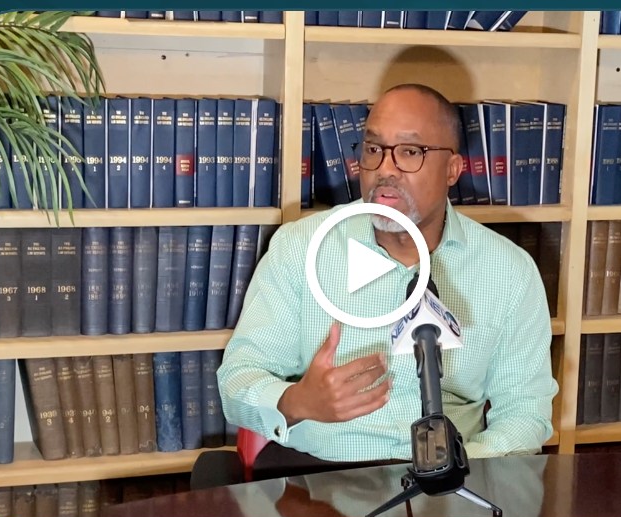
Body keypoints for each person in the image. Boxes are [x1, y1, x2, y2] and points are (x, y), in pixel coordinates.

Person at [217, 83, 557, 465]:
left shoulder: (509, 272)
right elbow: (237, 382)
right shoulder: (300, 248)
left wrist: (455, 467)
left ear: (452, 170)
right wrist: (298, 401)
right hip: (322, 480)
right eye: (373, 149)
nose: (385, 169)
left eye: (410, 152)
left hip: (454, 482)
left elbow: (525, 412)